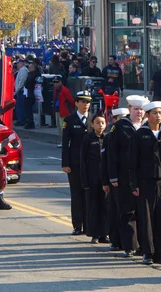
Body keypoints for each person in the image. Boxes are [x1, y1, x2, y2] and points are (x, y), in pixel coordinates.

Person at [129, 101, 161, 265]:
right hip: (145, 181)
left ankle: (159, 252)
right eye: (154, 113)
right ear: (147, 116)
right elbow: (133, 160)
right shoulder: (140, 134)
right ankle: (147, 252)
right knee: (146, 218)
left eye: (160, 113)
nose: (158, 116)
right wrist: (134, 184)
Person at [107, 95, 149, 257]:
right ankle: (129, 245)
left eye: (141, 110)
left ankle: (143, 245)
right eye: (136, 109)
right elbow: (112, 153)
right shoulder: (120, 127)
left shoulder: (148, 126)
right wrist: (113, 177)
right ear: (129, 109)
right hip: (124, 176)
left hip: (143, 176)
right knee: (127, 210)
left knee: (142, 212)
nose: (139, 112)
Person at [61, 90, 92, 235]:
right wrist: (65, 164)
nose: (86, 105)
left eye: (88, 102)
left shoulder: (94, 119)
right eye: (83, 102)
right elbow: (65, 143)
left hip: (90, 163)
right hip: (75, 163)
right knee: (77, 194)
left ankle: (89, 225)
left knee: (89, 194)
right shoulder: (70, 120)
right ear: (76, 103)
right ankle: (77, 225)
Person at [80, 112, 109, 244]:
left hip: (104, 178)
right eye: (97, 122)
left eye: (102, 122)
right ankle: (94, 234)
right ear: (92, 124)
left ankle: (104, 233)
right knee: (93, 206)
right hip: (92, 177)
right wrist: (84, 180)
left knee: (105, 206)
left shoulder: (107, 139)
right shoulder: (87, 139)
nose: (100, 125)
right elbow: (83, 161)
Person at [106, 107, 130, 251]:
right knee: (116, 210)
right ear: (114, 120)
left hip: (129, 178)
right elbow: (108, 161)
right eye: (120, 118)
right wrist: (108, 180)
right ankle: (115, 239)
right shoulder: (110, 136)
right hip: (116, 178)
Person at [53, 75, 75, 148]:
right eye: (54, 82)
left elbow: (71, 100)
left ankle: (66, 142)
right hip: (58, 109)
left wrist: (71, 108)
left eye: (57, 82)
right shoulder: (56, 90)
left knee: (63, 127)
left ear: (60, 82)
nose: (55, 83)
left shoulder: (64, 90)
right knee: (59, 126)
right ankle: (63, 141)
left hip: (63, 110)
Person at [23, 62, 40, 129]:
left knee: (28, 109)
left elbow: (29, 84)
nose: (29, 69)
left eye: (30, 67)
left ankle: (30, 122)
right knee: (27, 109)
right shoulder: (30, 74)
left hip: (31, 93)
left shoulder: (34, 75)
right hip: (28, 93)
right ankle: (29, 121)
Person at [14, 59, 29, 126]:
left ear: (22, 63)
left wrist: (17, 89)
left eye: (18, 63)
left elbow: (22, 81)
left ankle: (21, 120)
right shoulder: (21, 70)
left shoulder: (23, 70)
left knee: (21, 106)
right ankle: (20, 119)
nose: (17, 65)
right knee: (19, 106)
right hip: (19, 91)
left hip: (21, 91)